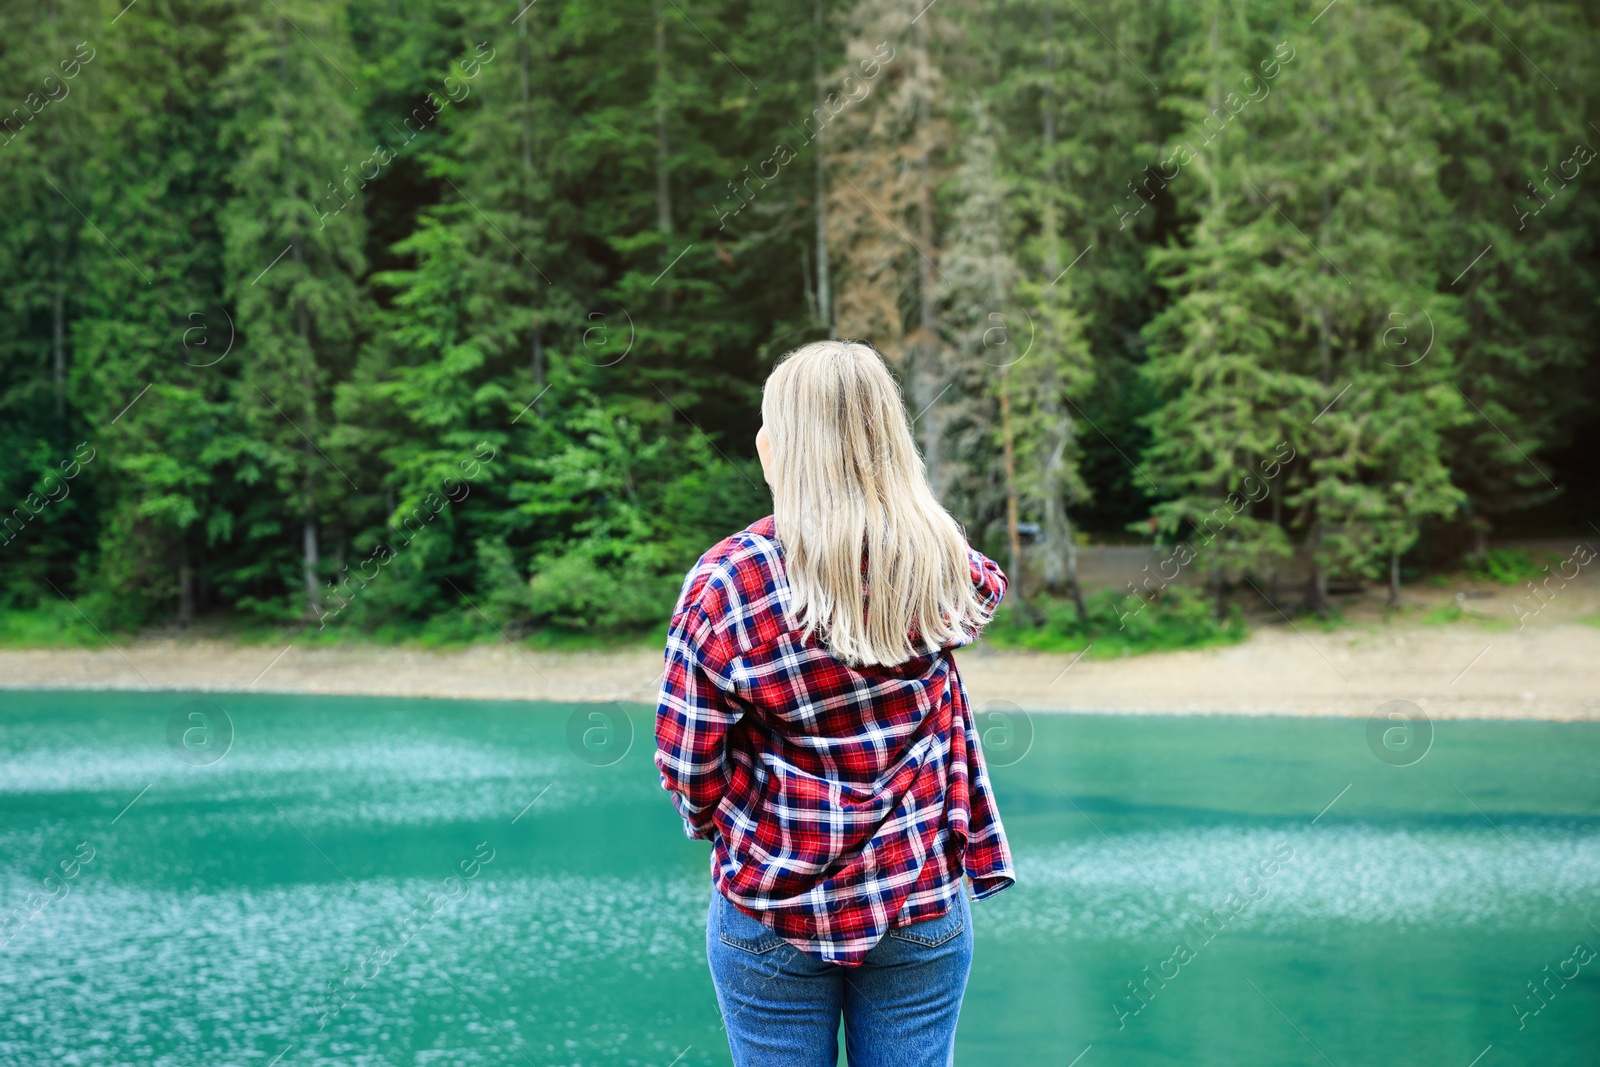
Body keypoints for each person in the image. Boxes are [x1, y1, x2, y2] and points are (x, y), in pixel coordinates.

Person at [653, 340, 1016, 1067]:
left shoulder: (728, 583)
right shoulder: (938, 558)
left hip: (769, 905)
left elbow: (688, 768)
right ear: (889, 440)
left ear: (773, 447)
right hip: (919, 899)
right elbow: (985, 586)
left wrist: (721, 825)